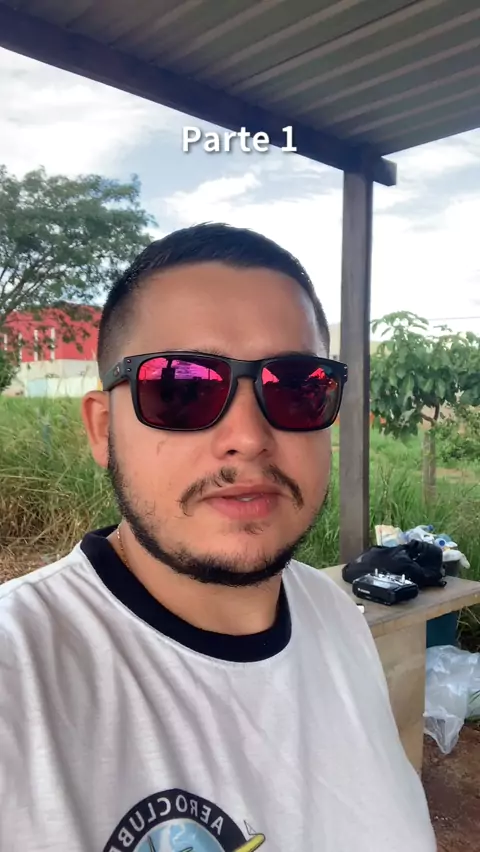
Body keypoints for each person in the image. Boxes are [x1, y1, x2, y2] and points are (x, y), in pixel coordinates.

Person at [0, 223, 435, 851]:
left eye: (296, 388)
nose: (249, 438)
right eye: (179, 389)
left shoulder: (336, 614)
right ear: (102, 430)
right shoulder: (21, 674)